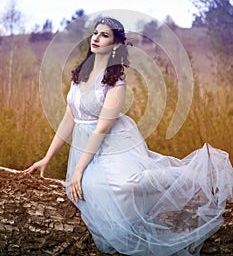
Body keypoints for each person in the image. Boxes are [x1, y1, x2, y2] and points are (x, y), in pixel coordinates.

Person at [24, 16, 233, 256]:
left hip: (112, 142)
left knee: (127, 186)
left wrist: (80, 169)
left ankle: (195, 177)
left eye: (105, 35)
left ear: (115, 46)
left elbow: (102, 129)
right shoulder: (80, 73)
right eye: (95, 33)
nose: (96, 38)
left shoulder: (116, 83)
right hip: (85, 147)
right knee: (94, 191)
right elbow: (69, 117)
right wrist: (47, 158)